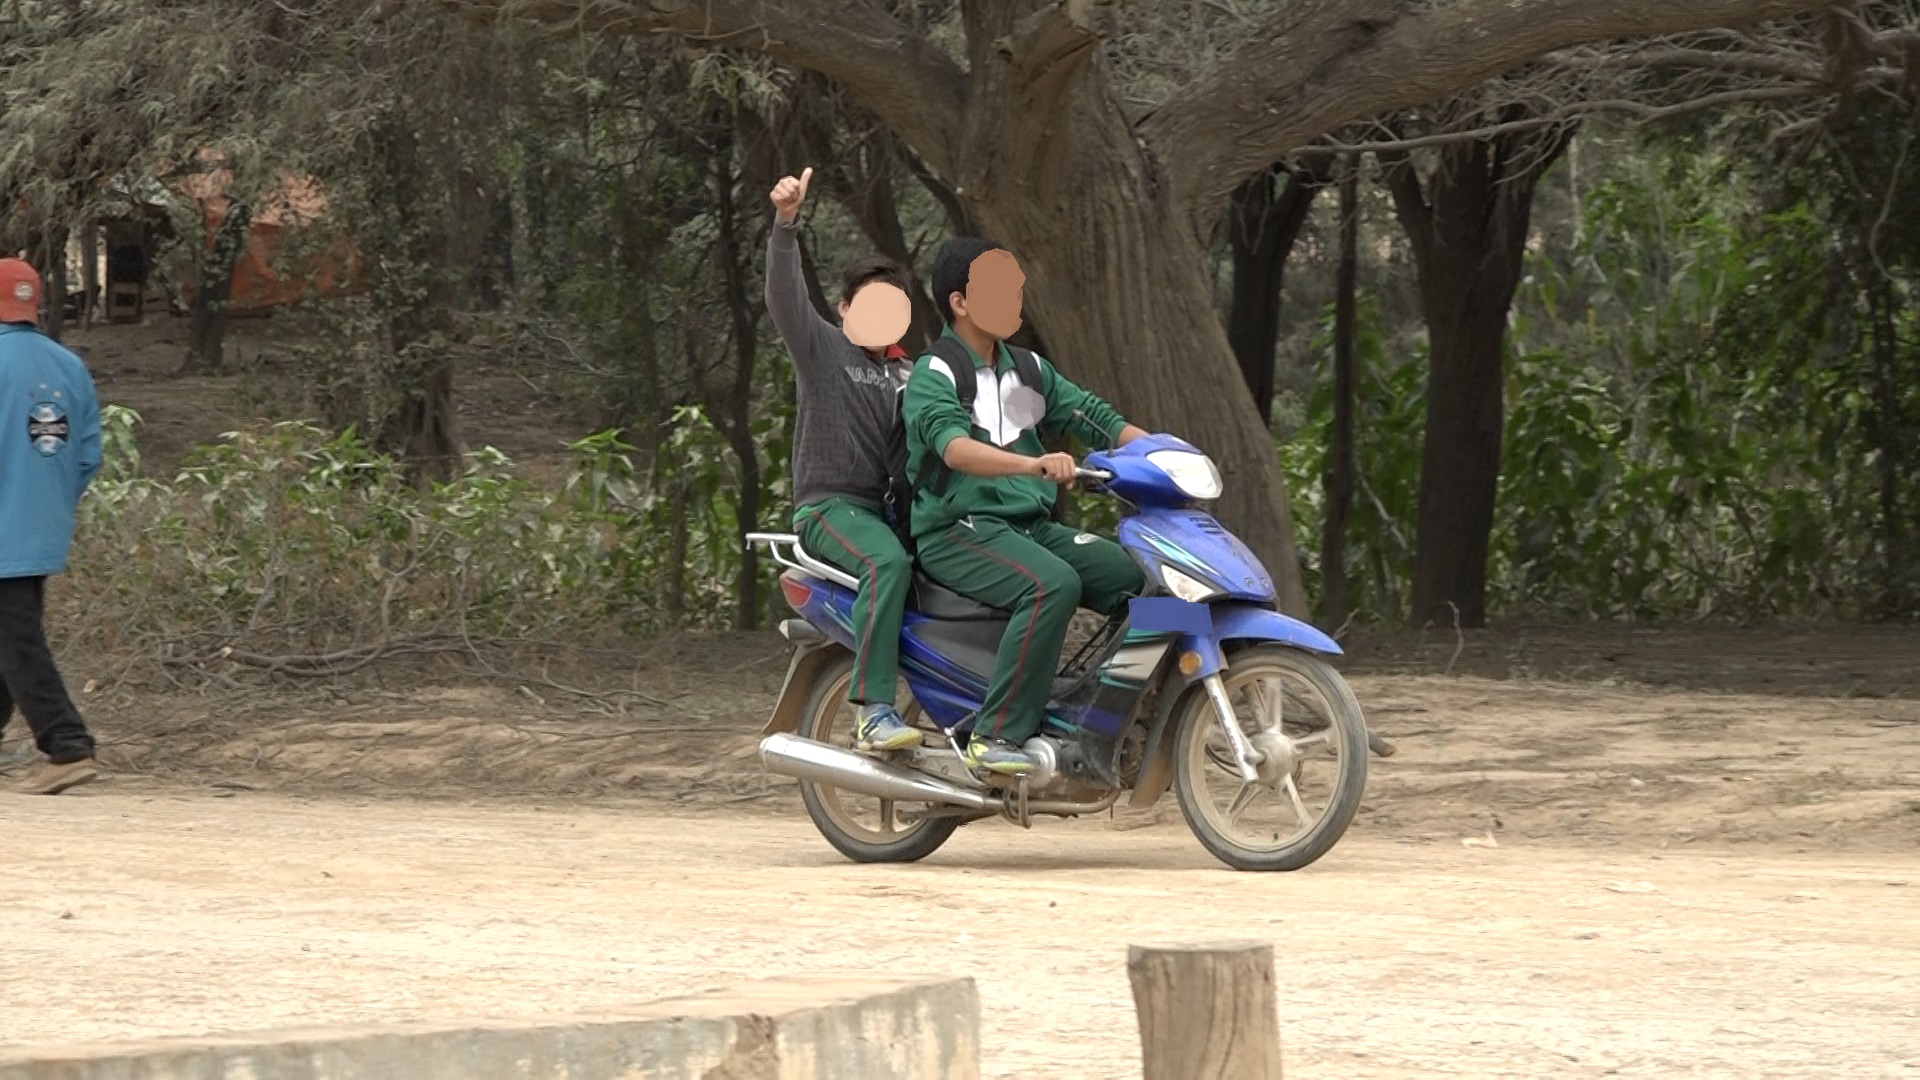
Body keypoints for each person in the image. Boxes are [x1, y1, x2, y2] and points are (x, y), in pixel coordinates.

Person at [902, 238, 1148, 775]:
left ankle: (1106, 713)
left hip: (1029, 528)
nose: (1015, 297)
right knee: (1052, 585)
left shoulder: (1028, 371)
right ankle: (995, 736)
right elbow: (952, 448)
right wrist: (1029, 465)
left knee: (1142, 580)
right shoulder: (936, 373)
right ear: (960, 303)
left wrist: (1162, 452)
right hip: (957, 530)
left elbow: (1091, 415)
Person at [764, 166, 921, 752]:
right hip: (831, 507)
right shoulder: (823, 346)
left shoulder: (909, 373)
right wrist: (785, 224)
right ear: (844, 307)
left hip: (887, 516)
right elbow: (783, 296)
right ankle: (875, 712)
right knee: (887, 564)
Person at [0, 257, 103, 795]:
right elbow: (87, 457)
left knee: (17, 639)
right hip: (41, 528)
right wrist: (45, 501)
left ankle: (66, 745)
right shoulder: (70, 366)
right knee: (8, 634)